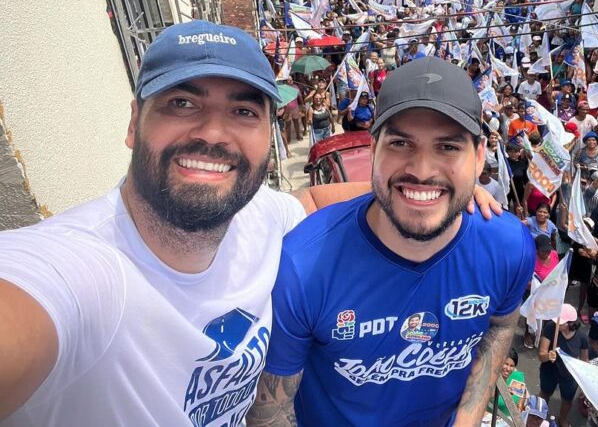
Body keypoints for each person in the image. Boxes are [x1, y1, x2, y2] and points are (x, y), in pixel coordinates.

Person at [0, 22, 354, 426]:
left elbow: (313, 199)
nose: (213, 134)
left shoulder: (261, 215)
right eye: (182, 103)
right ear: (135, 123)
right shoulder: (81, 270)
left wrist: (423, 195)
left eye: (243, 111)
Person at [260, 57, 534, 426]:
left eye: (448, 147)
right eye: (401, 143)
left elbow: (501, 326)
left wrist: (467, 419)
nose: (422, 170)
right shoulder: (302, 267)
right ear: (374, 150)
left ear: (480, 156)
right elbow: (272, 411)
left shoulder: (508, 247)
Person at [538, 304, 588, 427]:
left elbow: (584, 361)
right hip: (549, 371)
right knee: (545, 393)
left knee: (567, 399)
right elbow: (541, 355)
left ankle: (563, 419)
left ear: (571, 323)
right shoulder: (550, 327)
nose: (557, 324)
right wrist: (548, 356)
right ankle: (539, 416)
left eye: (561, 322)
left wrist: (584, 384)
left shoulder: (581, 337)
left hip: (569, 376)